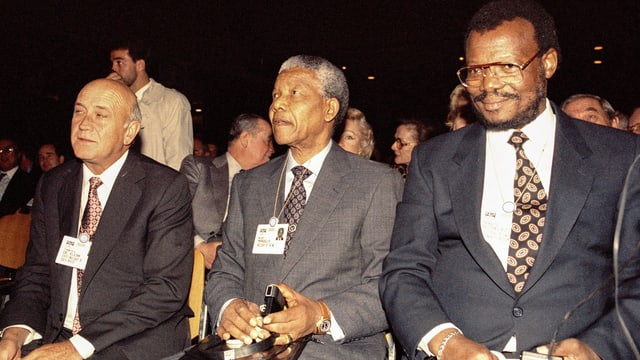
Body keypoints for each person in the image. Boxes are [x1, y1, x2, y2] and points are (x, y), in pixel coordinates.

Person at [379, 1, 640, 359]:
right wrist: (445, 342)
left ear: (547, 63)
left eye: (505, 66)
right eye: (475, 71)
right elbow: (404, 271)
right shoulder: (434, 161)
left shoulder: (621, 157)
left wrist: (600, 347)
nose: (488, 86)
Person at [205, 55, 403, 359]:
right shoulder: (249, 185)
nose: (277, 106)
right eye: (275, 95)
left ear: (329, 108)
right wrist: (229, 306)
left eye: (294, 93)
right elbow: (225, 269)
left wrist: (319, 316)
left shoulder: (376, 184)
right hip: (252, 349)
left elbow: (389, 285)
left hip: (335, 350)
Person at [0, 79, 194, 359]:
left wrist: (77, 346)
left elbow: (165, 289)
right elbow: (38, 271)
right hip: (56, 335)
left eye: (100, 115)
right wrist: (17, 331)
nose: (84, 124)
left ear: (129, 131)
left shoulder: (164, 187)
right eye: (79, 112)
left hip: (133, 341)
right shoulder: (54, 184)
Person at [181, 113, 274, 269]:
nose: (272, 149)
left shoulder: (270, 185)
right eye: (268, 140)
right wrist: (200, 247)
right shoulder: (199, 168)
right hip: (193, 267)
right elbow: (174, 215)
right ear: (245, 139)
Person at [107, 38, 193, 171]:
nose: (113, 68)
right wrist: (104, 95)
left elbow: (179, 161)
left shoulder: (171, 101)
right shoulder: (113, 101)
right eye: (112, 63)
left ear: (140, 65)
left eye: (119, 62)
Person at [0, 137, 36, 217]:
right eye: (0, 151)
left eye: (8, 150)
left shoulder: (29, 182)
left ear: (18, 154)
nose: (3, 154)